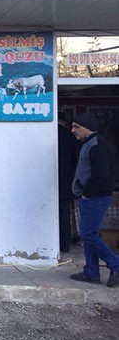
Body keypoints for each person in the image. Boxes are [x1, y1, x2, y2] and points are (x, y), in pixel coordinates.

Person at [70, 112, 119, 287]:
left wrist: (88, 193)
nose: (73, 130)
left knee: (88, 235)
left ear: (87, 128)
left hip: (95, 198)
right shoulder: (88, 143)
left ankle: (115, 264)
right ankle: (91, 272)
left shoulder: (97, 146)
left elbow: (101, 175)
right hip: (89, 197)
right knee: (90, 234)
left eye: (76, 127)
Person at [58, 111, 80, 253]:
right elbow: (77, 159)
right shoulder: (70, 136)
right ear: (64, 122)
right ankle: (64, 244)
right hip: (66, 180)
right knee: (64, 213)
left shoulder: (45, 134)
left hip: (45, 180)